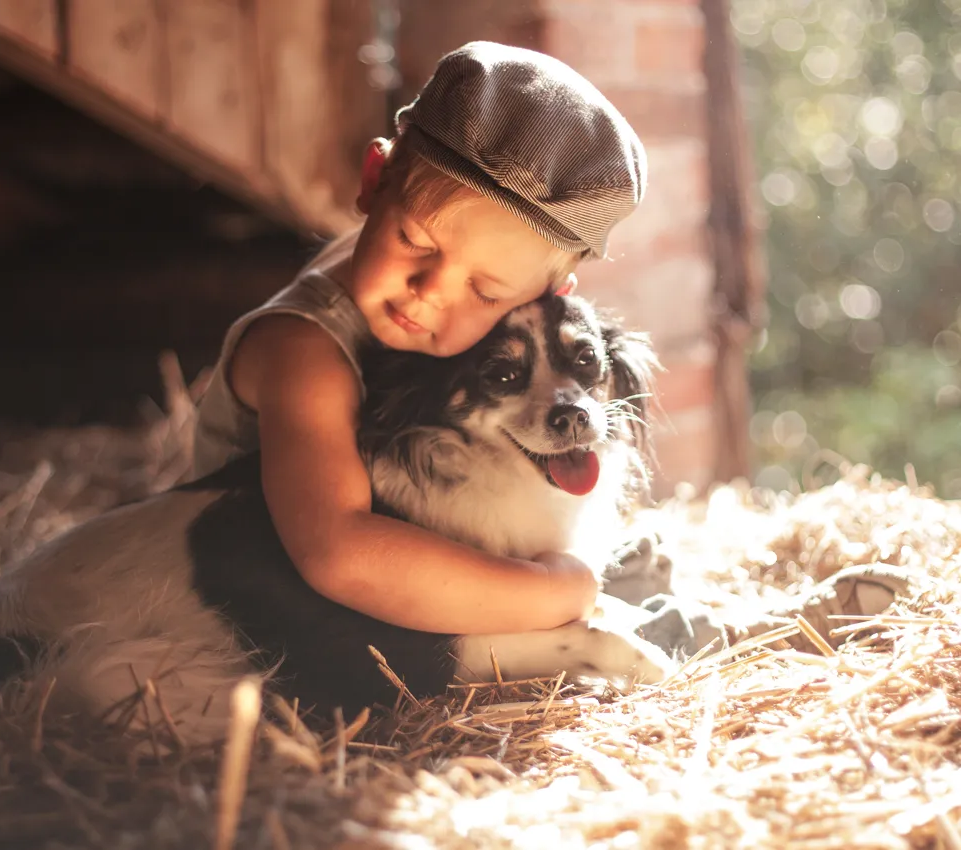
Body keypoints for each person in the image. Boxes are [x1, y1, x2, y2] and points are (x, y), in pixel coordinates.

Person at [188, 41, 647, 637]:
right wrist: (560, 590)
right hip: (267, 610)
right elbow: (339, 553)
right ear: (373, 181)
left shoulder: (470, 295)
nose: (429, 292)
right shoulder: (304, 352)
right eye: (415, 243)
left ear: (548, 294)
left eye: (484, 288)